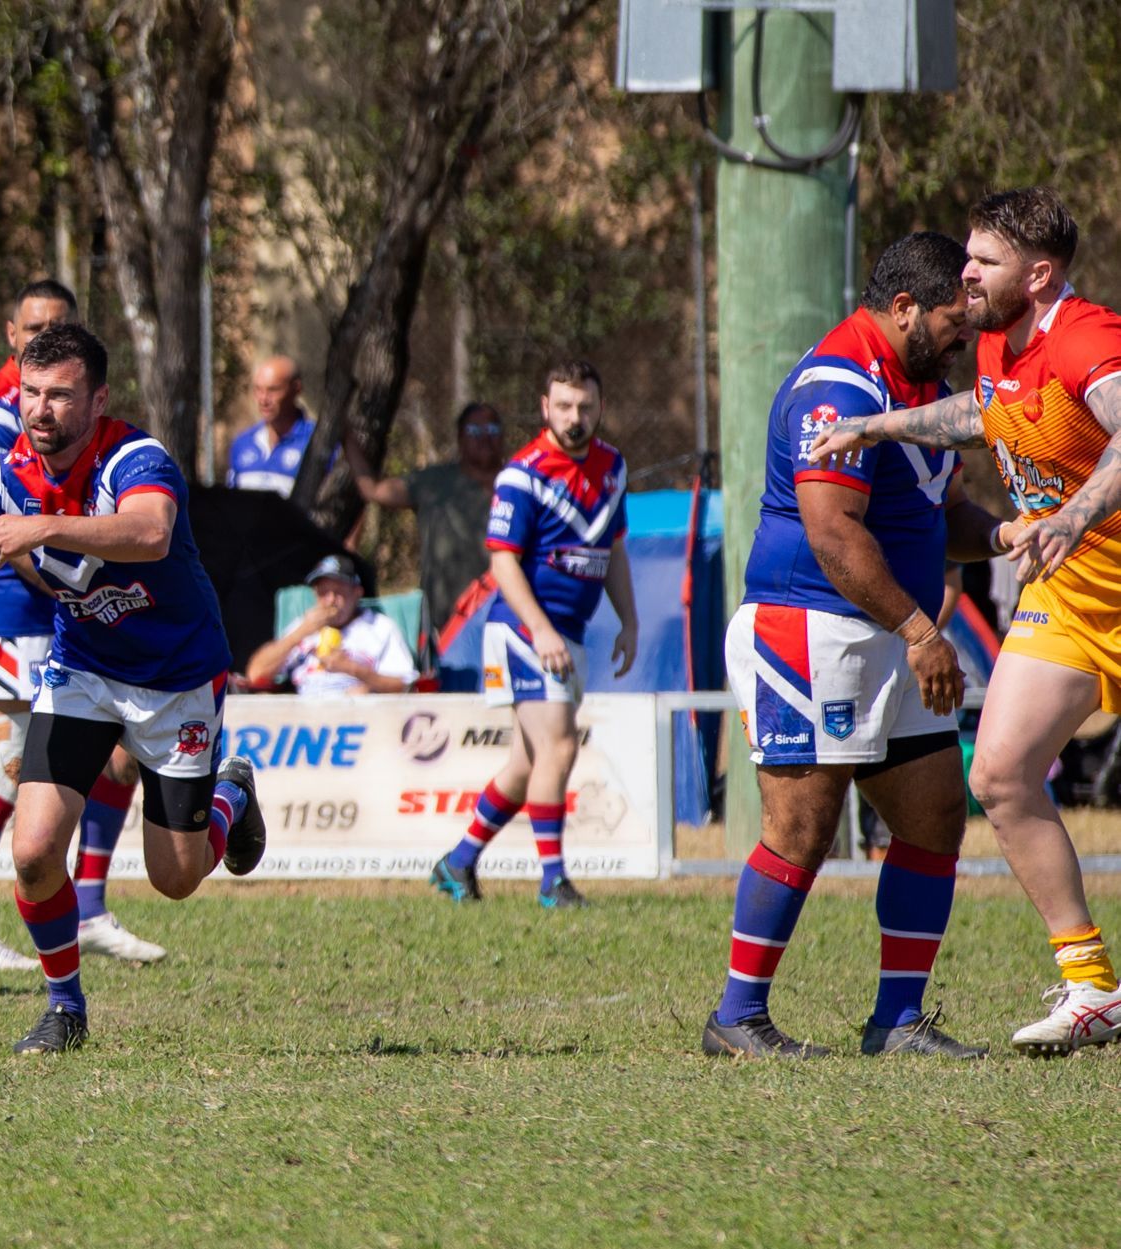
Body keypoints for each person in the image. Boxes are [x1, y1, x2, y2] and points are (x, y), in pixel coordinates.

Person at [0, 321, 267, 1054]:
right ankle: (65, 1008)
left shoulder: (135, 456)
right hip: (83, 672)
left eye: (60, 395)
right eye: (30, 393)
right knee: (35, 850)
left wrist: (44, 526)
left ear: (98, 399)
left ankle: (229, 796)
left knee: (176, 877)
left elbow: (150, 533)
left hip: (176, 676)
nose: (40, 410)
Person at [811, 188, 1121, 1055]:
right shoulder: (992, 339)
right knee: (1001, 772)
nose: (967, 272)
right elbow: (977, 419)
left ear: (1040, 273)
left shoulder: (1088, 336)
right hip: (1067, 595)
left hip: (1094, 564)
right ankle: (1093, 983)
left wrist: (1070, 517)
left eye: (984, 260)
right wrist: (881, 424)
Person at [706, 231, 1011, 1060]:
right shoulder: (835, 385)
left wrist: (1014, 533)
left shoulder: (916, 388)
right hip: (810, 627)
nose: (964, 334)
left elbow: (941, 518)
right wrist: (920, 629)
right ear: (904, 306)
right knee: (802, 825)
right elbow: (833, 532)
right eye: (954, 318)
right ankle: (737, 1016)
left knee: (936, 813)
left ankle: (898, 1020)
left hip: (889, 631)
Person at [0, 279, 162, 971]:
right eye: (33, 324)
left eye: (58, 324)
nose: (44, 335)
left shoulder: (74, 405)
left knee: (120, 755)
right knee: (8, 766)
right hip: (12, 609)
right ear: (12, 332)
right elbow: (4, 536)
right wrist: (83, 583)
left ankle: (89, 905)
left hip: (64, 611)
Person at [428, 361, 638, 908]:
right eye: (564, 406)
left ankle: (456, 863)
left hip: (568, 631)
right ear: (545, 407)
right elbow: (502, 564)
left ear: (601, 407)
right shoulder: (523, 473)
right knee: (560, 744)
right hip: (525, 628)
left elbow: (613, 551)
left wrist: (629, 621)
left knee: (527, 764)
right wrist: (541, 630)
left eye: (586, 406)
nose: (576, 417)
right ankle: (553, 883)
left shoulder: (612, 467)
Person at [343, 402, 507, 633]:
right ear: (460, 438)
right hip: (445, 623)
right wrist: (345, 434)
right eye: (474, 431)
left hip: (506, 616)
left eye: (492, 430)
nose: (484, 438)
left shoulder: (518, 481)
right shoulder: (433, 482)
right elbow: (372, 490)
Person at [244, 554, 418, 695]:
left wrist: (353, 669)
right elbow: (256, 673)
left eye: (338, 592)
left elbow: (406, 685)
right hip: (303, 716)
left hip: (358, 715)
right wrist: (300, 633)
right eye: (323, 593)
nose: (330, 601)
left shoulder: (379, 627)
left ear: (357, 593)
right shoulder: (304, 626)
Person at [226, 355, 317, 497]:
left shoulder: (315, 441)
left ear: (296, 389)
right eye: (258, 389)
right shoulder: (243, 443)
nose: (263, 399)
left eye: (273, 390)